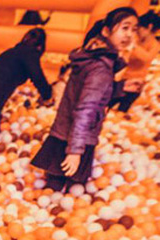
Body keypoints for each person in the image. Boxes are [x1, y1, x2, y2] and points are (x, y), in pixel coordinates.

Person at [31, 8, 140, 191]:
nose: (129, 34)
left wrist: (119, 87)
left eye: (133, 29)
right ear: (106, 31)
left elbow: (85, 93)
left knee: (53, 190)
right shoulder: (101, 68)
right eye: (124, 28)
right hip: (78, 138)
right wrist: (75, 151)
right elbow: (86, 109)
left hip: (63, 132)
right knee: (69, 193)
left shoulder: (91, 56)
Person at [111, 11, 160, 112]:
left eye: (138, 29)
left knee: (122, 110)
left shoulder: (154, 45)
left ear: (149, 27)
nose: (136, 32)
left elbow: (146, 58)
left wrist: (134, 46)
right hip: (122, 80)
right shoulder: (135, 40)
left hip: (135, 84)